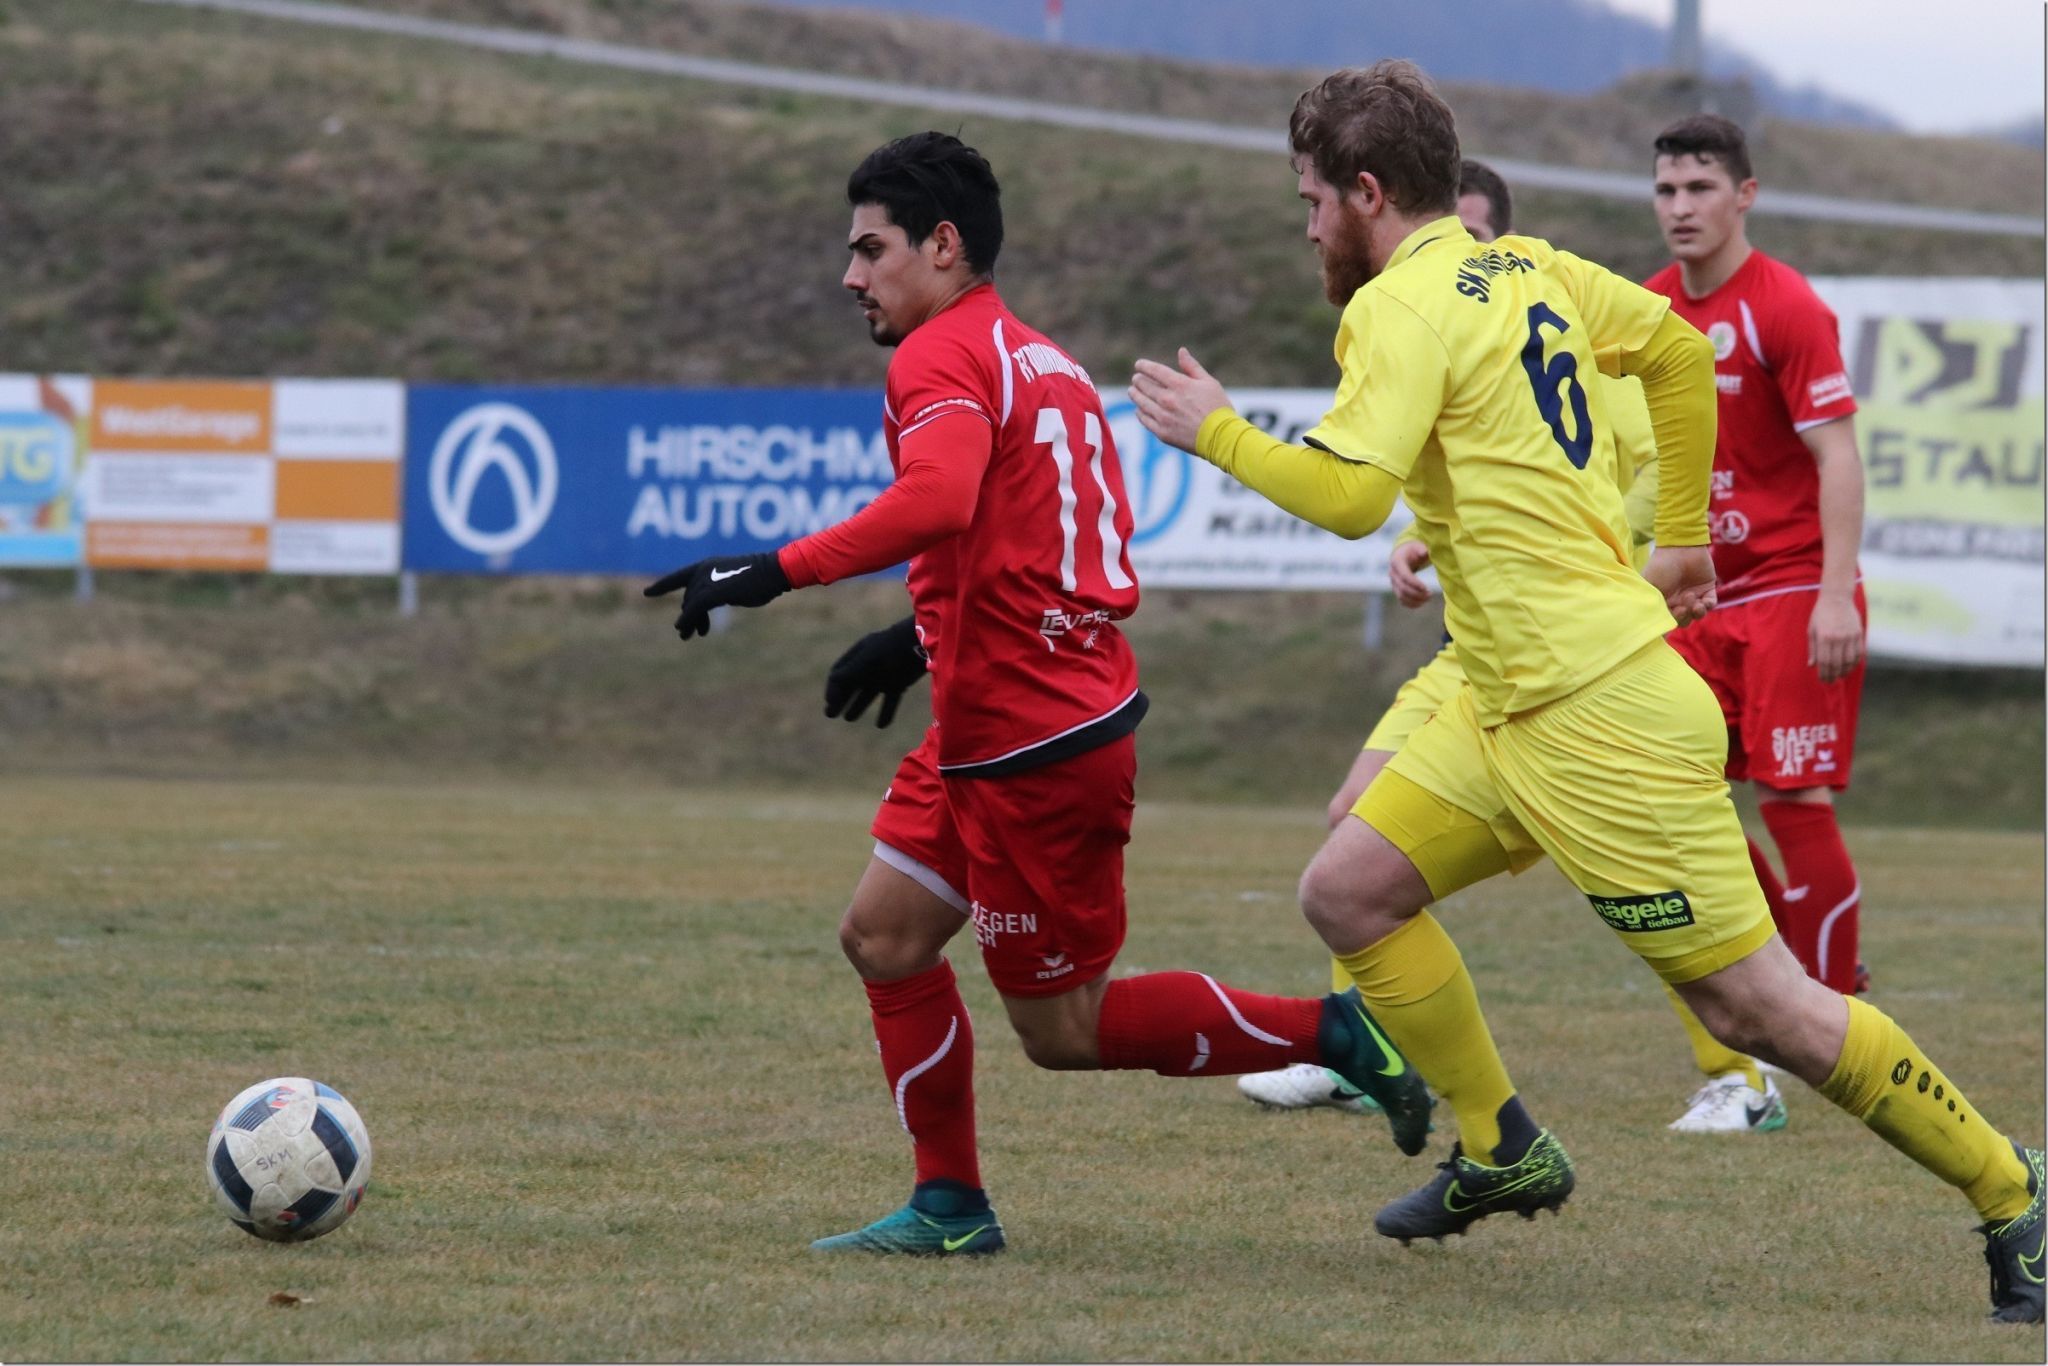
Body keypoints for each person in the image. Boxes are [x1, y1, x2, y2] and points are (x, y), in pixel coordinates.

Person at [1128, 61, 2042, 1322]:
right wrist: (1680, 540)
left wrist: (1217, 432)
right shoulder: (1529, 265)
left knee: (1756, 1008)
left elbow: (1345, 496)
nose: (1307, 228)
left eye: (1310, 201)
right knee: (1346, 890)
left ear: (1367, 193)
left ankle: (2012, 1191)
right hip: (1507, 697)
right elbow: (1671, 353)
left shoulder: (1394, 307)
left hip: (1596, 713)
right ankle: (1502, 1145)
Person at [645, 131, 1430, 1257]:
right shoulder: (1041, 360)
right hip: (1001, 720)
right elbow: (1025, 543)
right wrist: (919, 640)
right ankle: (949, 1207)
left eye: (870, 250)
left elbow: (938, 499)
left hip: (1031, 745)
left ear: (942, 245)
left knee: (1065, 1029)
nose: (850, 275)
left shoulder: (934, 358)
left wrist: (771, 569)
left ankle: (1338, 1032)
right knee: (882, 937)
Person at [1236, 159, 1786, 1137]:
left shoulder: (1559, 324)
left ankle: (1738, 1073)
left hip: (1574, 650)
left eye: (1472, 236)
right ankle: (1371, 1052)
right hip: (1480, 649)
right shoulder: (1435, 331)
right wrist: (1425, 540)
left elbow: (1628, 473)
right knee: (1354, 821)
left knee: (1627, 877)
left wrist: (1641, 555)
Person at [1645, 114, 1872, 999]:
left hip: (1790, 585)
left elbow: (1837, 455)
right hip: (1699, 598)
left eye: (1700, 188)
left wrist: (1835, 596)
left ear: (1744, 195)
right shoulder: (1648, 308)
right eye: (1667, 189)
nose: (1681, 206)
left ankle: (1834, 1014)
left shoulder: (1785, 305)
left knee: (1793, 799)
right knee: (1664, 784)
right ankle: (1789, 982)